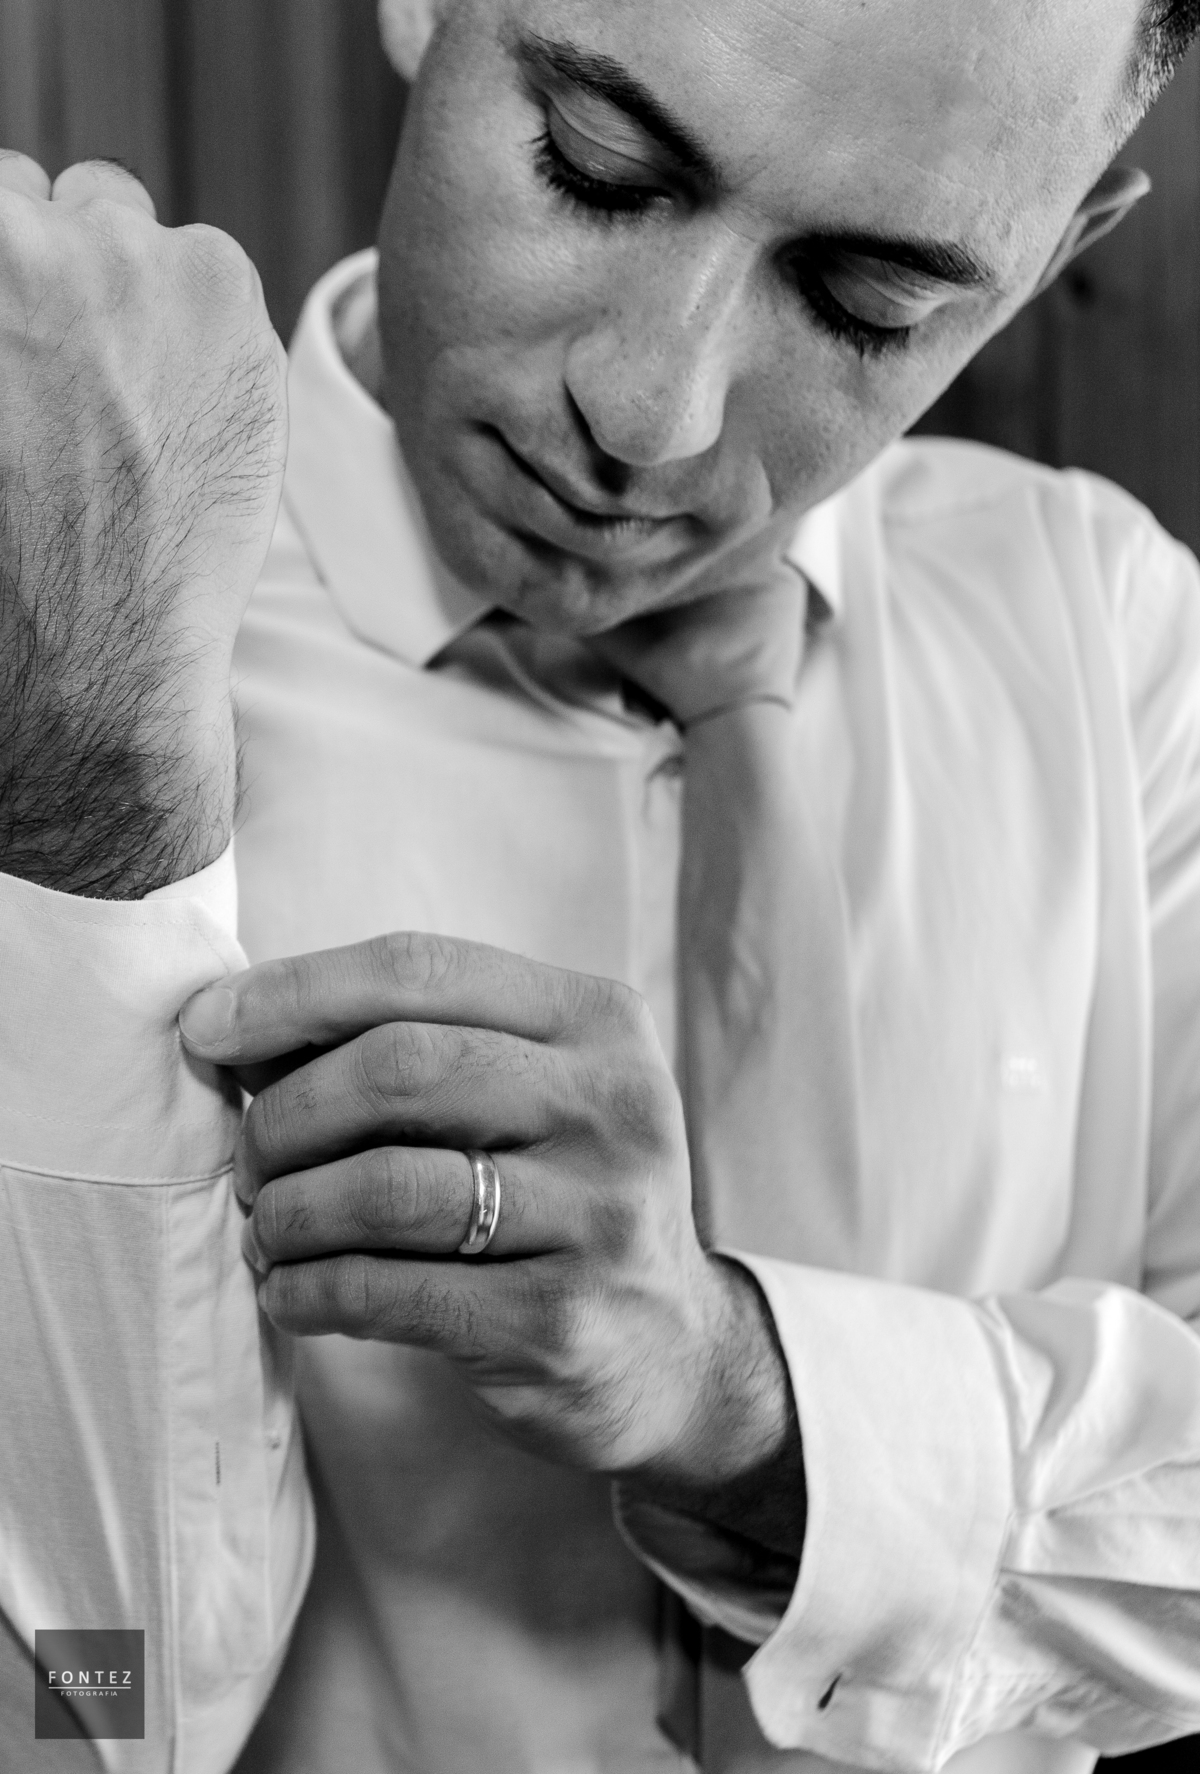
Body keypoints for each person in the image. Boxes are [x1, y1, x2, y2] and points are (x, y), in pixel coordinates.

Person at [2, 0, 1200, 1769]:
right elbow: (72, 1714)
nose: (650, 414)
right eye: (598, 168)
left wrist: (743, 1393)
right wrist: (100, 829)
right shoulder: (52, 648)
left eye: (868, 302)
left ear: (1061, 245)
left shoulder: (1116, 630)